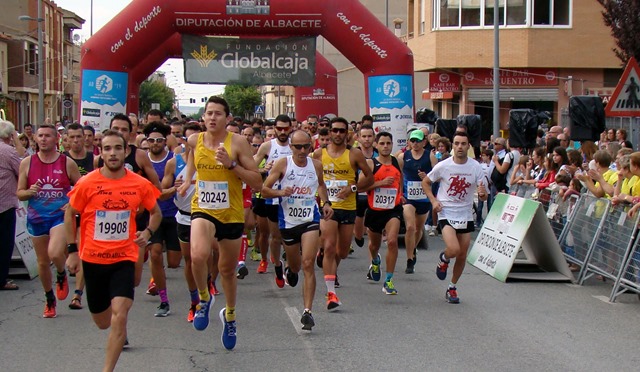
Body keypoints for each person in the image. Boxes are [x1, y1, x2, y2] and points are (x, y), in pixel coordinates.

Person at [64, 130, 161, 372]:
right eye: (107, 148)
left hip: (124, 258)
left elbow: (156, 212)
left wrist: (147, 232)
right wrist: (72, 251)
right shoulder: (87, 183)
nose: (113, 153)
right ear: (100, 152)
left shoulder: (139, 184)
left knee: (120, 313)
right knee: (102, 322)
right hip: (93, 259)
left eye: (118, 148)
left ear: (126, 151)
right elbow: (70, 213)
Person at [177, 96, 261, 350]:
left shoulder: (238, 143)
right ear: (203, 118)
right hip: (203, 208)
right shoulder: (195, 140)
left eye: (218, 113)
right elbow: (192, 157)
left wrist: (231, 164)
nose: (212, 117)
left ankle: (231, 315)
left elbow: (257, 182)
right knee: (198, 255)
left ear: (227, 118)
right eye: (208, 113)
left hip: (232, 213)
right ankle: (204, 299)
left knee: (226, 270)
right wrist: (188, 178)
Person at [261, 130, 333, 330]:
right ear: (291, 147)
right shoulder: (283, 164)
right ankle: (289, 269)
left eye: (306, 147)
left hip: (310, 219)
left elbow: (320, 185)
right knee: (296, 267)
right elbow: (264, 189)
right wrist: (280, 192)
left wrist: (326, 202)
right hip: (288, 222)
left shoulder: (316, 165)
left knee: (308, 262)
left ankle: (307, 312)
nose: (302, 151)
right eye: (297, 147)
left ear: (311, 146)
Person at [16, 124, 82, 317]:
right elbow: (20, 193)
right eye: (40, 136)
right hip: (36, 217)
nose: (43, 139)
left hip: (59, 217)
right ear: (35, 139)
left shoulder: (66, 163)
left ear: (57, 140)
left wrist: (70, 203)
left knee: (54, 253)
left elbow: (81, 189)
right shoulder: (27, 163)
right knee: (42, 263)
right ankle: (49, 299)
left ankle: (61, 273)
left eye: (48, 136)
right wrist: (29, 192)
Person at [312, 117, 373, 309]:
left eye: (341, 131)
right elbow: (314, 180)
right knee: (330, 246)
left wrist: (352, 188)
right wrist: (321, 200)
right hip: (328, 206)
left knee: (342, 251)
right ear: (329, 132)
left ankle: (328, 262)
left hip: (348, 207)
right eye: (335, 130)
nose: (338, 134)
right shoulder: (318, 154)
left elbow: (369, 178)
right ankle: (331, 293)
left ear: (347, 133)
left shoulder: (354, 154)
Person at [421, 131, 487, 304]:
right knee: (454, 249)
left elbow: (483, 194)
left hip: (465, 214)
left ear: (468, 146)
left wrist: (482, 194)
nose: (459, 147)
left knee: (462, 254)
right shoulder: (444, 165)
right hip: (446, 212)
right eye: (456, 143)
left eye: (463, 144)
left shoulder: (475, 167)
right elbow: (426, 182)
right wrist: (434, 201)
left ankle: (452, 287)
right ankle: (444, 258)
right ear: (453, 146)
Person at [160, 122, 207, 322]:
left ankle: (207, 286)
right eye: (189, 140)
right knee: (189, 260)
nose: (194, 143)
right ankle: (195, 300)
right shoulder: (174, 162)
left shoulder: (210, 161)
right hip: (184, 216)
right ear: (184, 141)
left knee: (206, 256)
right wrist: (174, 187)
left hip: (207, 216)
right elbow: (161, 193)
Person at [144, 121, 180, 317]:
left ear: (165, 141)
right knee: (155, 254)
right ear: (147, 141)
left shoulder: (173, 160)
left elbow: (161, 192)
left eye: (159, 140)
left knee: (174, 262)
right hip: (153, 215)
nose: (155, 143)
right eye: (152, 140)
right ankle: (164, 299)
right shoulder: (143, 160)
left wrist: (177, 187)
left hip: (173, 214)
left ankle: (159, 275)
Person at [253, 115, 293, 280]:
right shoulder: (267, 146)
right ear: (274, 129)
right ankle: (268, 260)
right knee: (269, 234)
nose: (283, 132)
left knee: (289, 234)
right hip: (270, 196)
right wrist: (263, 169)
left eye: (286, 128)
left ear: (291, 128)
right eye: (279, 128)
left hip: (290, 196)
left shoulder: (296, 145)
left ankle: (289, 265)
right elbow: (252, 166)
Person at [363, 132, 403, 294]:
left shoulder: (398, 161)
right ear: (376, 145)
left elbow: (400, 179)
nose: (386, 146)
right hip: (374, 210)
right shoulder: (370, 164)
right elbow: (360, 187)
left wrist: (401, 194)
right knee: (374, 245)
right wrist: (379, 183)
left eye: (388, 143)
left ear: (392, 144)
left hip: (393, 209)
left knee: (392, 241)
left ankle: (389, 281)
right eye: (382, 143)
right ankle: (375, 260)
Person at [63, 123, 95, 309]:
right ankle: (61, 273)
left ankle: (77, 294)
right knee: (61, 252)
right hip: (65, 212)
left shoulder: (95, 160)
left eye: (79, 137)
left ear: (85, 138)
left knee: (82, 251)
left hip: (87, 214)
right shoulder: (62, 160)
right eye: (71, 137)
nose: (75, 141)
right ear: (66, 139)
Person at [398, 129, 432, 273]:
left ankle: (413, 249)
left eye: (418, 141)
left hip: (424, 198)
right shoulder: (403, 156)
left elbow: (436, 176)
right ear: (408, 142)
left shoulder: (430, 156)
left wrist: (427, 176)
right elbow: (399, 176)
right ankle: (409, 259)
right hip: (409, 197)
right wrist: (400, 193)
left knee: (419, 228)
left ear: (424, 142)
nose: (415, 143)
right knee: (410, 227)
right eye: (412, 141)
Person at [0, 121, 21, 290]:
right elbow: (22, 171)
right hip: (4, 204)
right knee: (4, 243)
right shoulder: (8, 151)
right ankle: (1, 279)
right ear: (8, 136)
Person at [353, 125, 378, 250]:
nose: (367, 139)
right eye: (364, 136)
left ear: (374, 138)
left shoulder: (378, 153)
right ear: (358, 138)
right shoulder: (353, 153)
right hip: (358, 191)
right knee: (358, 228)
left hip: (375, 191)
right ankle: (358, 236)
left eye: (369, 136)